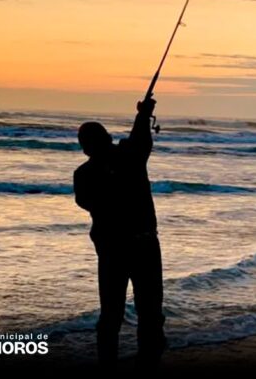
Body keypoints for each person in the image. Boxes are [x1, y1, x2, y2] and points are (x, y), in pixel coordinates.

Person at [73, 97, 166, 368]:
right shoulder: (130, 158)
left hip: (115, 250)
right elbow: (141, 140)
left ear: (84, 148)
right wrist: (144, 113)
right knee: (146, 313)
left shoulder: (86, 173)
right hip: (138, 247)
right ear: (107, 137)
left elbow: (86, 202)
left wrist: (143, 115)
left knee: (114, 314)